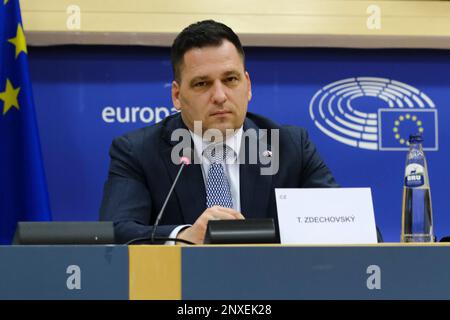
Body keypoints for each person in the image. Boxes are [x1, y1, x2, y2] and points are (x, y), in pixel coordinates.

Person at [99, 20, 338, 244]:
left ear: (248, 86)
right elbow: (115, 232)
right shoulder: (138, 151)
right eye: (202, 83)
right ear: (177, 96)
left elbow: (353, 226)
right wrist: (184, 236)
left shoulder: (289, 146)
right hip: (178, 285)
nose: (220, 96)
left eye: (230, 79)